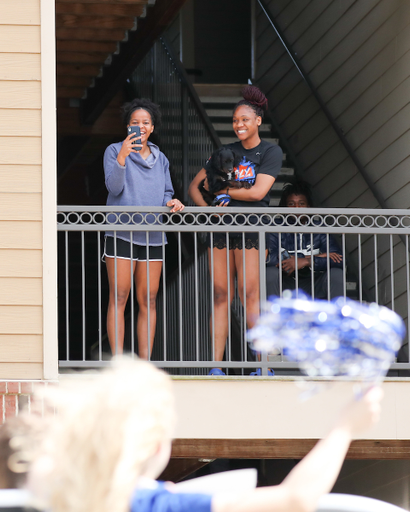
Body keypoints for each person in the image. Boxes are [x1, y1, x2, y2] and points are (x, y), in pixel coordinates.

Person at [28, 357, 383, 512]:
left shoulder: (53, 500)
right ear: (153, 445)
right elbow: (296, 499)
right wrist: (346, 427)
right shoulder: (154, 506)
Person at [188, 86, 283, 375]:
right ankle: (216, 367)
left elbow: (257, 193)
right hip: (221, 230)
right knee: (219, 295)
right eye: (234, 120)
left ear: (257, 121)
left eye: (244, 119)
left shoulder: (270, 151)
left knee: (250, 294)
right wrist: (210, 210)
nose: (239, 125)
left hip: (251, 229)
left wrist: (222, 189)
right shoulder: (224, 152)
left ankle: (262, 366)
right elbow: (195, 187)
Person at [103, 98, 184, 358]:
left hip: (153, 236)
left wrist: (173, 202)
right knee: (119, 297)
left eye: (145, 123)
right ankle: (117, 363)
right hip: (121, 233)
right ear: (128, 126)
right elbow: (114, 188)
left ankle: (144, 363)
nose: (140, 126)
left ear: (152, 127)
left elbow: (166, 194)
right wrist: (123, 156)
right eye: (135, 122)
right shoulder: (114, 151)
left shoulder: (161, 159)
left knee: (148, 300)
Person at [267, 180, 344, 300]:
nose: (297, 208)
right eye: (291, 204)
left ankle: (337, 316)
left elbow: (339, 260)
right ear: (284, 207)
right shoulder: (274, 227)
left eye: (301, 203)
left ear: (309, 207)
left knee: (336, 274)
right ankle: (270, 316)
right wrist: (317, 256)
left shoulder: (319, 228)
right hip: (285, 282)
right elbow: (268, 258)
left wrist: (307, 261)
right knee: (270, 273)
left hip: (313, 282)